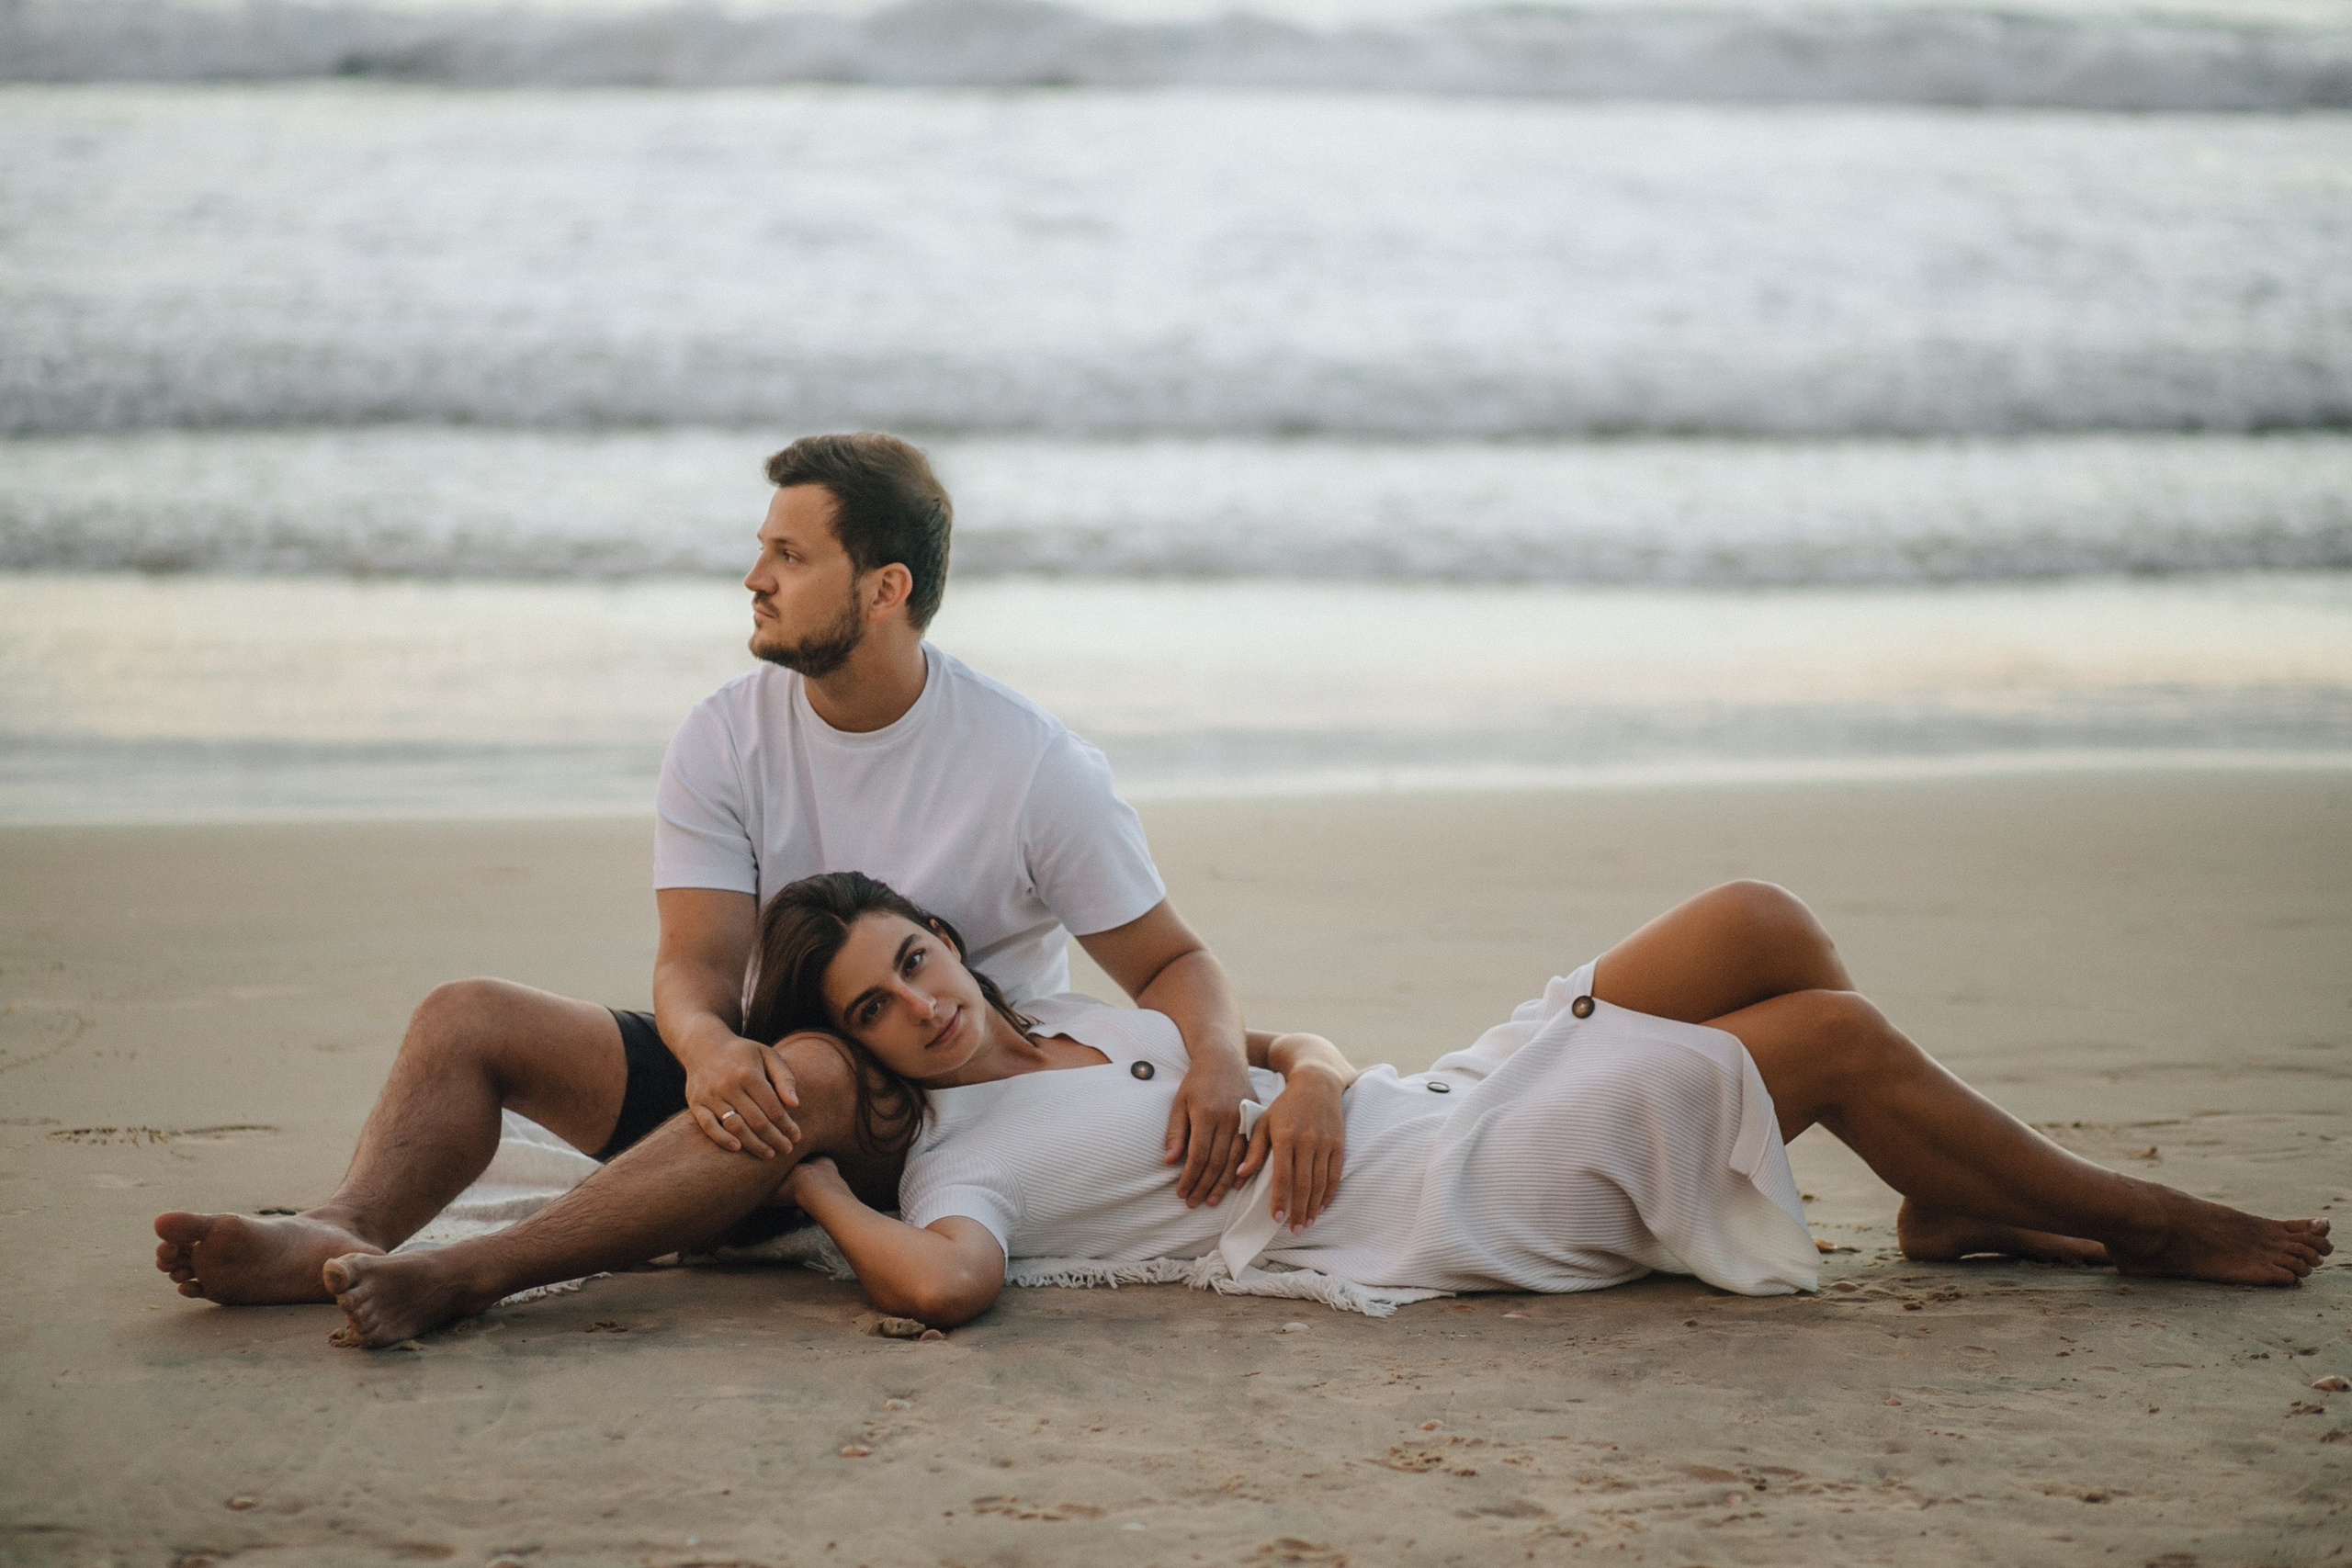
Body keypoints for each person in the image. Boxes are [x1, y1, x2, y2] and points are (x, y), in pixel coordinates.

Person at [154, 433, 1256, 1311]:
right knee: (468, 1016)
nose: (754, 578)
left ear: (883, 589)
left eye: (790, 556)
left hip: (920, 1121)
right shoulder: (724, 735)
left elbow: (1170, 961)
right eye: (761, 549)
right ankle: (342, 1231)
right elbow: (695, 964)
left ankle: (468, 1277)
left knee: (820, 1069)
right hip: (739, 1080)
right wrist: (712, 1047)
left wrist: (1212, 1064)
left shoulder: (1030, 764)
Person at [315, 874, 2330, 1346]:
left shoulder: (1092, 1025)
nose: (924, 997)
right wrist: (819, 1189)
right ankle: (2135, 1218)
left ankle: (1959, 1208)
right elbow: (937, 1288)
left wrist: (1306, 1068)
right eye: (877, 1012)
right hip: (1447, 1206)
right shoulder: (970, 1155)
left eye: (920, 957)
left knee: (1754, 924)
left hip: (1427, 1094)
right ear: (871, 1073)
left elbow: (1279, 1034)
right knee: (1820, 1037)